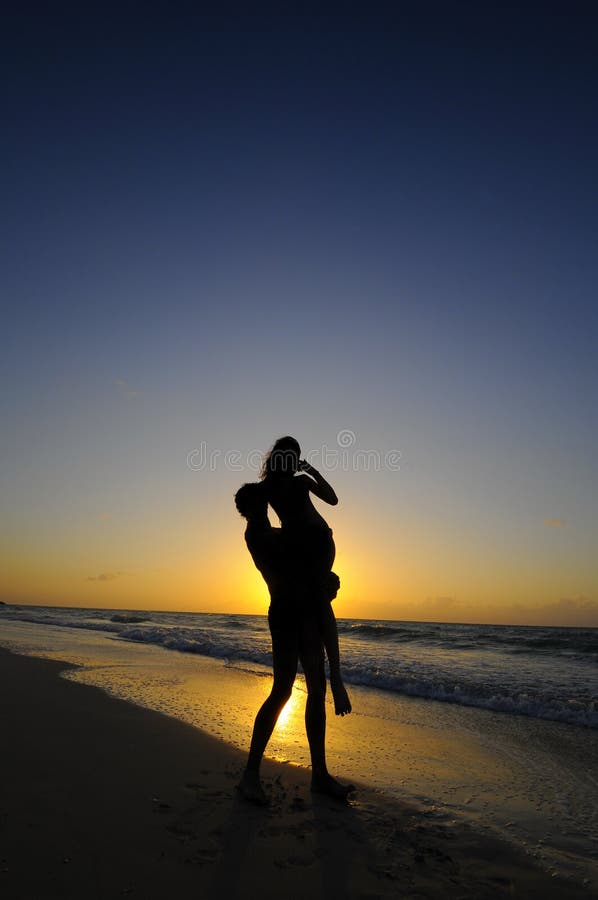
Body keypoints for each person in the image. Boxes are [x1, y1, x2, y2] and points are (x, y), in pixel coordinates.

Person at [234, 481, 354, 805]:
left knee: (317, 690)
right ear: (252, 509)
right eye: (262, 504)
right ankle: (249, 776)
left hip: (302, 613)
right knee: (282, 691)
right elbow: (293, 557)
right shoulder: (258, 536)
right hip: (287, 617)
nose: (267, 507)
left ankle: (320, 775)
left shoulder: (267, 531)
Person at [260, 436, 351, 716]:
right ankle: (334, 675)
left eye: (296, 457)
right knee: (319, 601)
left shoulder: (290, 484)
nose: (293, 461)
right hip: (307, 546)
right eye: (291, 456)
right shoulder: (273, 488)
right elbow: (259, 525)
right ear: (280, 458)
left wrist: (310, 471)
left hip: (320, 543)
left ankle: (335, 676)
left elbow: (333, 500)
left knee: (321, 600)